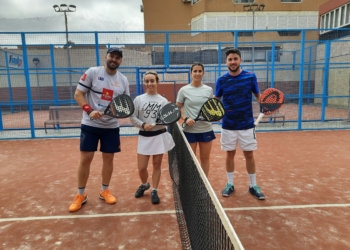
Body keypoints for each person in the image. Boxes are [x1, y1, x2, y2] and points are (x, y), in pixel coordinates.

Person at [68, 47, 130, 212]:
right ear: (106, 57)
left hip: (111, 127)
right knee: (86, 159)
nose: (114, 59)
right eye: (112, 56)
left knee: (108, 159)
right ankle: (81, 194)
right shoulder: (92, 72)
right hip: (90, 125)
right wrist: (89, 110)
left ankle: (104, 190)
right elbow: (78, 94)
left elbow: (125, 104)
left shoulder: (123, 80)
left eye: (118, 57)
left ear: (120, 61)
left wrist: (117, 113)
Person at [215, 48, 265, 200]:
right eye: (230, 59)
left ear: (240, 60)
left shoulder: (250, 77)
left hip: (247, 125)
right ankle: (230, 184)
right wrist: (213, 112)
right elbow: (216, 100)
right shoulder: (221, 80)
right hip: (228, 125)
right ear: (226, 62)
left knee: (249, 155)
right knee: (230, 155)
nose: (233, 62)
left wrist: (264, 106)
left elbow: (257, 95)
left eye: (235, 59)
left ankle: (253, 185)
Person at [130, 71, 175, 204]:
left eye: (152, 81)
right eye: (147, 81)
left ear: (157, 82)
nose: (149, 83)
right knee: (142, 168)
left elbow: (168, 119)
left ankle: (154, 190)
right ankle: (145, 184)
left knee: (156, 165)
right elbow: (133, 117)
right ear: (145, 83)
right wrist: (143, 125)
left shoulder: (163, 101)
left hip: (159, 135)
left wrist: (154, 125)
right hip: (144, 136)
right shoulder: (138, 99)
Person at [176, 62, 216, 177]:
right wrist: (185, 118)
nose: (197, 73)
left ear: (203, 73)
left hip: (206, 129)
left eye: (200, 71)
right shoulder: (184, 90)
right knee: (190, 160)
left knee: (205, 159)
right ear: (191, 73)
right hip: (189, 130)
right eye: (195, 71)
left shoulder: (209, 90)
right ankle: (191, 184)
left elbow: (211, 108)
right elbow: (176, 110)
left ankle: (204, 186)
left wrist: (211, 115)